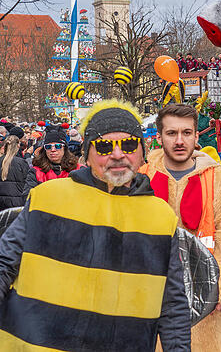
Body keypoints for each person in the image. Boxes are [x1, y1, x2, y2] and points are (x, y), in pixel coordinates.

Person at [0, 100, 191, 350]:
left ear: (142, 152)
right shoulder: (46, 197)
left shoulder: (160, 217)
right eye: (103, 146)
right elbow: (4, 264)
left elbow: (173, 307)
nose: (118, 155)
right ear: (87, 155)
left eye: (129, 144)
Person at [141, 104, 221, 351]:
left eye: (186, 133)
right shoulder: (142, 176)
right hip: (151, 303)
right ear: (159, 137)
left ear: (196, 136)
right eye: (172, 133)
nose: (180, 141)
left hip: (207, 312)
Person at [25, 126, 79, 191]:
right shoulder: (35, 172)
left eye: (58, 146)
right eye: (48, 147)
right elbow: (28, 195)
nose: (53, 150)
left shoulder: (78, 169)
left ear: (64, 148)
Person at [0, 136, 31, 210]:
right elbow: (27, 183)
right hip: (18, 203)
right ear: (18, 146)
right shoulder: (21, 163)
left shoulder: (1, 160)